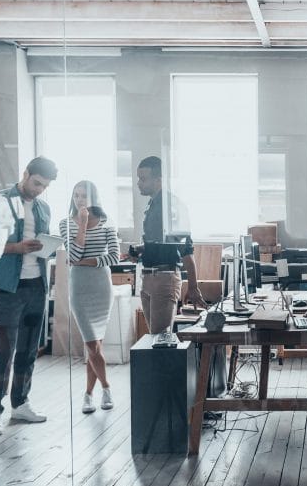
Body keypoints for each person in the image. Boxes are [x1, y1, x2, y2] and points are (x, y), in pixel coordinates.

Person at [0, 156, 58, 437]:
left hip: (37, 286)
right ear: (25, 174)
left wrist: (46, 248)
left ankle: (21, 403)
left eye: (44, 186)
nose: (39, 189)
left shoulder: (44, 208)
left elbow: (44, 246)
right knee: (4, 351)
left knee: (28, 351)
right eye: (37, 183)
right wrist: (19, 247)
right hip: (9, 288)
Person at [59, 181, 120, 414]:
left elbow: (114, 257)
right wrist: (82, 224)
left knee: (94, 347)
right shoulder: (65, 223)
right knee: (92, 344)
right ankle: (106, 387)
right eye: (76, 195)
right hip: (80, 289)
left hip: (101, 288)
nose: (79, 200)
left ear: (94, 197)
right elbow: (72, 253)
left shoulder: (107, 223)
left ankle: (88, 395)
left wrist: (86, 262)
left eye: (84, 196)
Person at [128, 155, 207, 334]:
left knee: (161, 339)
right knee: (155, 338)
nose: (139, 183)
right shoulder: (153, 205)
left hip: (164, 278)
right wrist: (140, 251)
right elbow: (159, 245)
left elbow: (186, 249)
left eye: (143, 179)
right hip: (148, 277)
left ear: (158, 180)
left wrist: (193, 287)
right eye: (138, 178)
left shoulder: (172, 206)